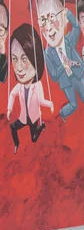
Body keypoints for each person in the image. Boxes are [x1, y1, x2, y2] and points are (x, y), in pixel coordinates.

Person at [36, 0, 84, 122]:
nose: (48, 28)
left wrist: (70, 15)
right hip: (66, 82)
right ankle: (62, 114)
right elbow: (54, 75)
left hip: (77, 74)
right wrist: (64, 65)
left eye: (52, 19)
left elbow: (77, 28)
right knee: (73, 105)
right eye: (43, 22)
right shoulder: (48, 53)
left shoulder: (68, 40)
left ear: (62, 18)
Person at [7, 24, 53, 154]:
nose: (19, 68)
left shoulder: (37, 85)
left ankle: (41, 126)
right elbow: (12, 94)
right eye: (15, 59)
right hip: (23, 117)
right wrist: (9, 109)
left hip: (34, 118)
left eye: (24, 59)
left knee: (33, 139)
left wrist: (50, 104)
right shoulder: (19, 86)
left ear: (36, 59)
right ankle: (17, 144)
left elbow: (42, 100)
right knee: (12, 127)